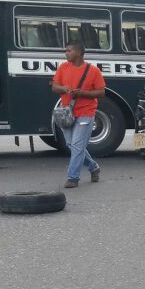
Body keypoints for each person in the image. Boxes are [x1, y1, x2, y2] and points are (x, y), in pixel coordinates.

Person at [51, 41, 105, 188]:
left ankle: (73, 177)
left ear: (79, 53)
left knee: (77, 145)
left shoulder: (93, 71)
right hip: (67, 112)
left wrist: (83, 93)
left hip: (86, 112)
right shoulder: (63, 67)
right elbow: (54, 87)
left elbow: (101, 92)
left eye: (69, 51)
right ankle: (93, 167)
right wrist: (63, 88)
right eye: (66, 51)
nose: (66, 53)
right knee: (71, 144)